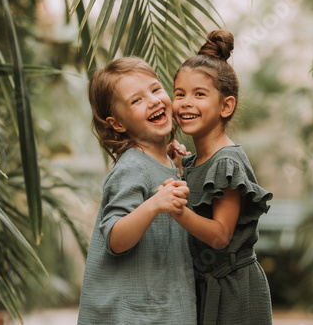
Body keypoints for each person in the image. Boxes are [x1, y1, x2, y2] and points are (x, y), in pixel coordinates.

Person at [77, 57, 197, 325]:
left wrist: (174, 168)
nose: (153, 100)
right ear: (117, 124)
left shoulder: (162, 161)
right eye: (136, 100)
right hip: (134, 315)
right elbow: (115, 239)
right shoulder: (131, 167)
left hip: (161, 308)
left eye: (155, 89)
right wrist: (154, 204)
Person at [170, 30, 273, 324]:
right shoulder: (198, 160)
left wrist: (177, 212)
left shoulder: (226, 162)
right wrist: (179, 164)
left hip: (235, 292)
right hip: (206, 286)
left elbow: (220, 235)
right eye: (180, 93)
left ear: (226, 106)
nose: (186, 102)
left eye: (199, 94)